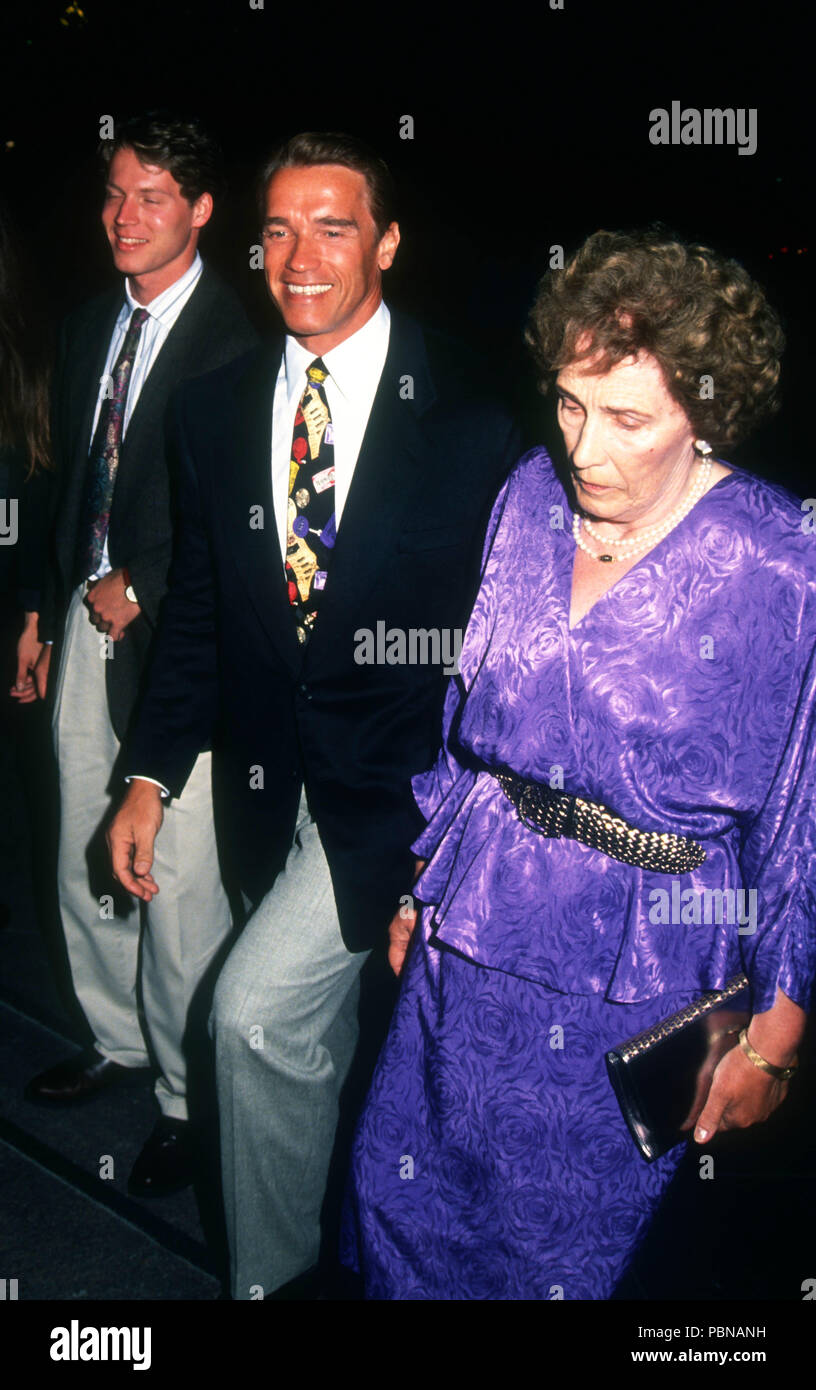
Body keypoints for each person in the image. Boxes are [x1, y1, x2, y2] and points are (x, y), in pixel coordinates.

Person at [343, 228, 815, 1300]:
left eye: (627, 417)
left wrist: (777, 1035)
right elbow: (467, 713)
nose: (582, 447)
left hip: (644, 976)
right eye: (567, 402)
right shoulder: (524, 496)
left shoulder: (781, 561)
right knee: (405, 1207)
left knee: (562, 1256)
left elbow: (803, 817)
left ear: (710, 410)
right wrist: (428, 879)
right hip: (471, 935)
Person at [107, 131, 519, 1298]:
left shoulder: (476, 419)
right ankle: (348, 1244)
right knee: (310, 1055)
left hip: (391, 802)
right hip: (258, 789)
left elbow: (503, 655)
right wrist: (149, 771)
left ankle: (272, 1284)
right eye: (279, 227)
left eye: (334, 225)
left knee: (246, 1020)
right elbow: (197, 608)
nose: (299, 255)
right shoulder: (212, 409)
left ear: (385, 240)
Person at [25, 113, 258, 1198]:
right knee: (83, 833)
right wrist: (40, 605)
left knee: (176, 875)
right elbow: (66, 484)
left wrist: (149, 581)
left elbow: (250, 508)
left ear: (203, 210)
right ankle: (113, 1035)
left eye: (153, 195)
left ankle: (182, 1092)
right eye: (115, 194)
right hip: (83, 618)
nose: (124, 216)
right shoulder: (87, 326)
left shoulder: (250, 333)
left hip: (186, 642)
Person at [1, 202, 54, 930]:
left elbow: (36, 496)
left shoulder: (32, 356)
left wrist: (34, 617)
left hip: (16, 592)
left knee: (38, 784)